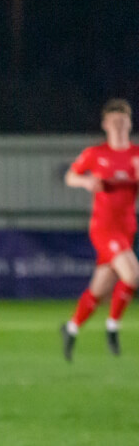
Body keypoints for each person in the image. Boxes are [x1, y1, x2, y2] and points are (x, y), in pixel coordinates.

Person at [59, 98, 139, 361]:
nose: (118, 125)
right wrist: (85, 181)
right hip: (104, 229)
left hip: (126, 229)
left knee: (100, 289)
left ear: (129, 123)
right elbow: (70, 176)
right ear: (105, 125)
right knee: (132, 275)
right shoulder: (95, 154)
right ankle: (113, 326)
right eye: (113, 121)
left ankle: (71, 328)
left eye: (122, 121)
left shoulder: (136, 156)